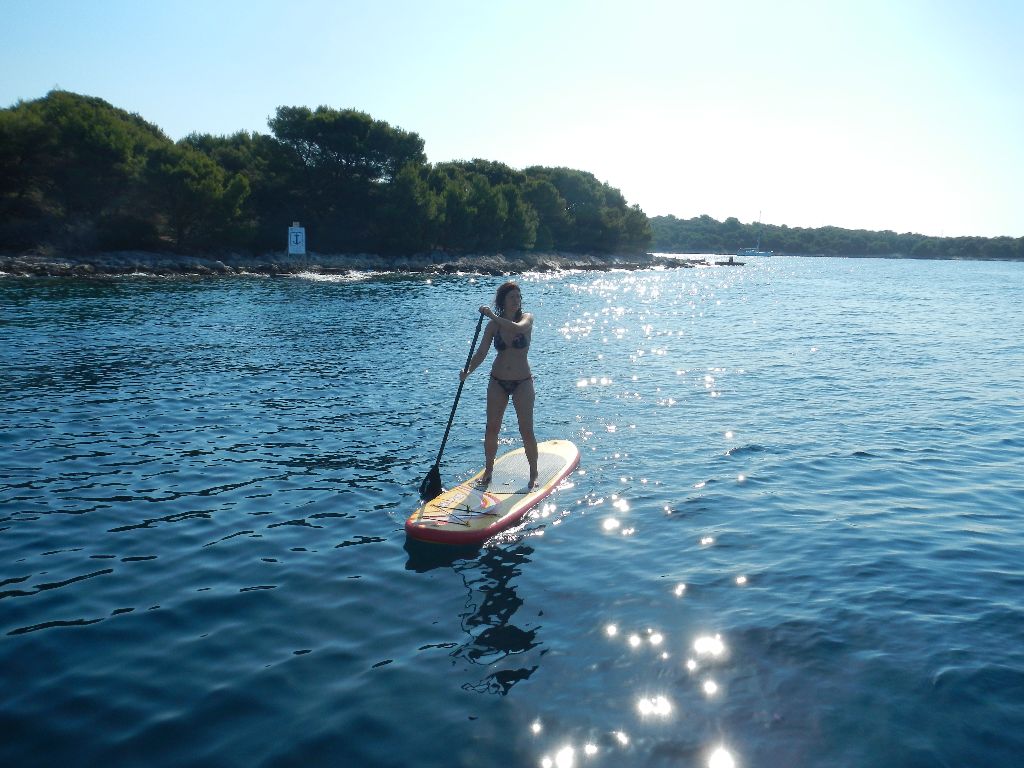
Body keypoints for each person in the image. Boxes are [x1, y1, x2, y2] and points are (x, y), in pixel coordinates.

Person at [460, 281, 538, 488]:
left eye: (518, 297)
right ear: (503, 300)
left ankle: (534, 473)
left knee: (526, 430)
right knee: (492, 427)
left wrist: (493, 315)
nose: (516, 300)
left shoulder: (526, 319)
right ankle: (488, 470)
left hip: (523, 382)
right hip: (497, 381)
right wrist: (468, 371)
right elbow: (481, 353)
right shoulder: (493, 326)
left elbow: (516, 328)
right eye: (511, 297)